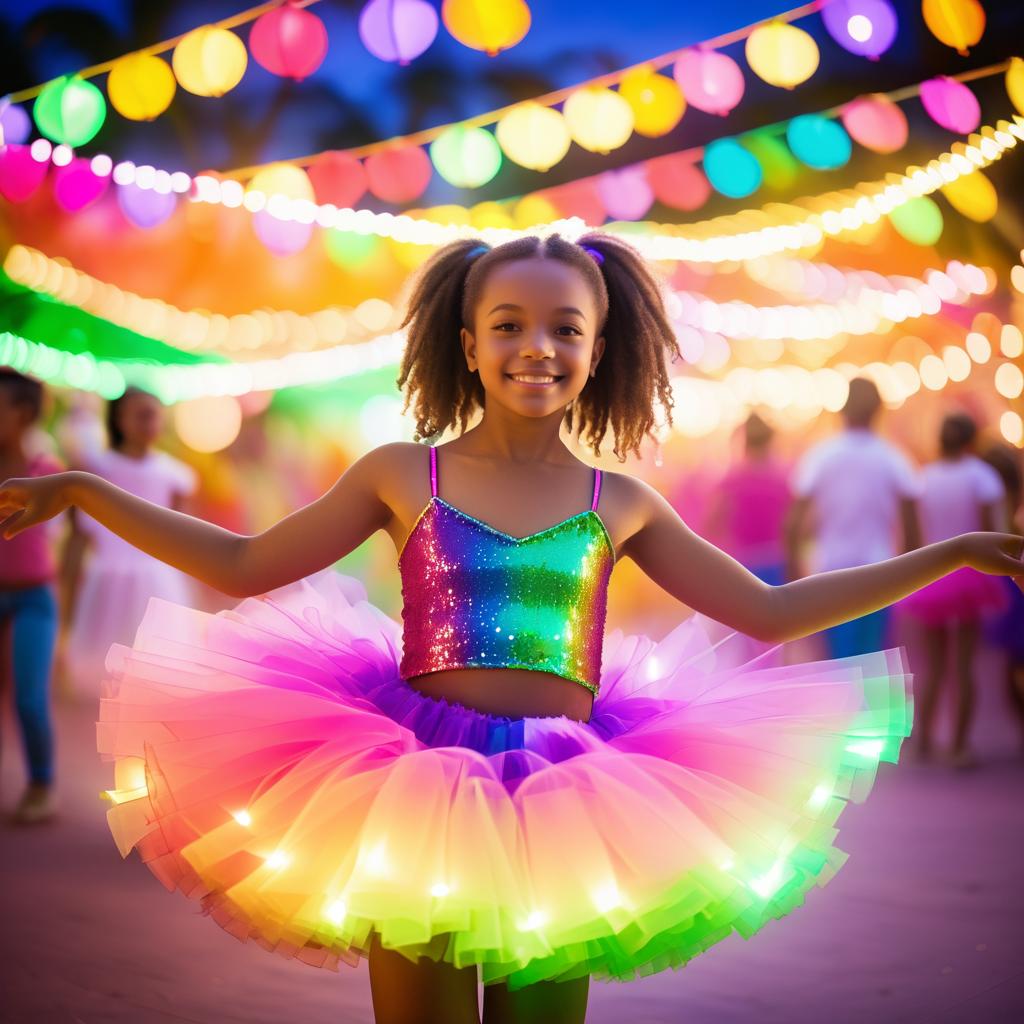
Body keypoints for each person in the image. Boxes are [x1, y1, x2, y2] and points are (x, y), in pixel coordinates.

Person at [2, 234, 1022, 1024]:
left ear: (598, 344)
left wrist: (949, 552)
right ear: (467, 341)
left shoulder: (618, 500)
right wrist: (87, 488)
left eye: (564, 327)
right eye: (508, 324)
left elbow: (768, 608)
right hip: (405, 788)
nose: (537, 346)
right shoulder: (404, 472)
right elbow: (241, 562)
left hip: (569, 796)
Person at [59, 388, 197, 701]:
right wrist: (67, 589)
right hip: (108, 576)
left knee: (154, 679)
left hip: (157, 578)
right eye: (141, 414)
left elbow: (187, 537)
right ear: (120, 420)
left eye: (153, 415)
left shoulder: (174, 474)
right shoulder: (96, 468)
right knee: (103, 679)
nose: (149, 423)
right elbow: (79, 533)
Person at [785, 377, 922, 659]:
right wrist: (910, 578)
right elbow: (912, 527)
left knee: (838, 663)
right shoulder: (893, 457)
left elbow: (794, 525)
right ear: (878, 411)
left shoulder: (821, 456)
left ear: (843, 412)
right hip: (880, 573)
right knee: (872, 660)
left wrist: (794, 575)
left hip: (829, 573)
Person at [900, 413, 1007, 766]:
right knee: (963, 665)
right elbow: (993, 532)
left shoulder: (924, 477)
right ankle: (959, 746)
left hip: (932, 575)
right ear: (971, 440)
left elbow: (913, 537)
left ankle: (924, 740)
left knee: (932, 664)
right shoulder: (982, 476)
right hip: (970, 576)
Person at [0, 369, 64, 824]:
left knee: (29, 698)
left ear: (23, 415)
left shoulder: (47, 473)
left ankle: (41, 784)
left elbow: (69, 538)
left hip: (34, 598)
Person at [704, 412, 792, 587]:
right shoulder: (782, 479)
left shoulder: (732, 480)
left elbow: (711, 524)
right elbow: (795, 525)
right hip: (776, 561)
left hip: (742, 565)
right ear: (769, 442)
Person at [981, 442, 1024, 752]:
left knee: (1013, 661)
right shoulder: (1012, 504)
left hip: (1008, 583)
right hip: (1012, 582)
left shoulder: (994, 502)